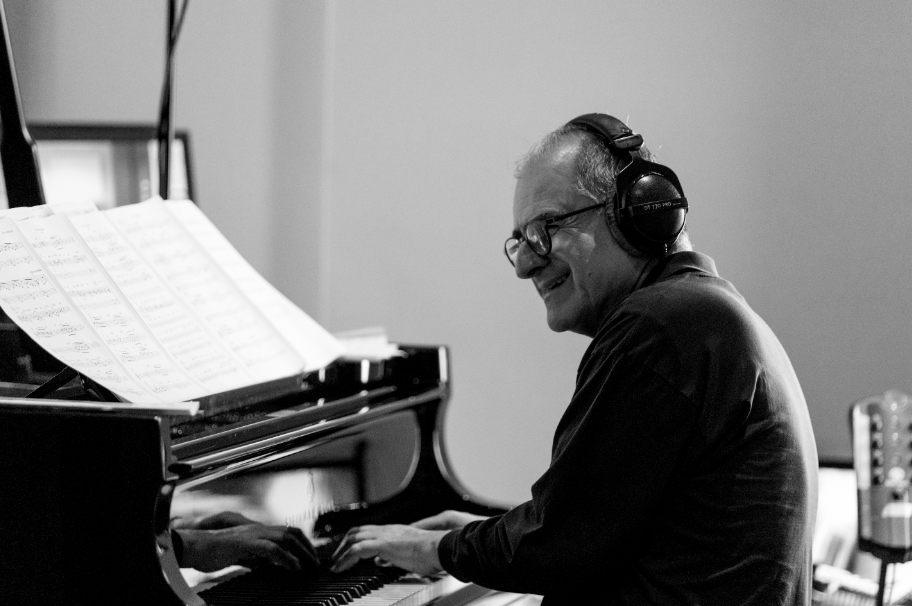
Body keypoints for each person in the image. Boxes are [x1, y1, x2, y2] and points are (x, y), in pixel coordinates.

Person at [330, 113, 819, 605]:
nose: (524, 264)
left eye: (545, 229)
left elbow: (557, 548)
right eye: (519, 240)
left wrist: (437, 549)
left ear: (637, 212)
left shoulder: (661, 325)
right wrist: (480, 535)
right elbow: (591, 527)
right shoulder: (702, 316)